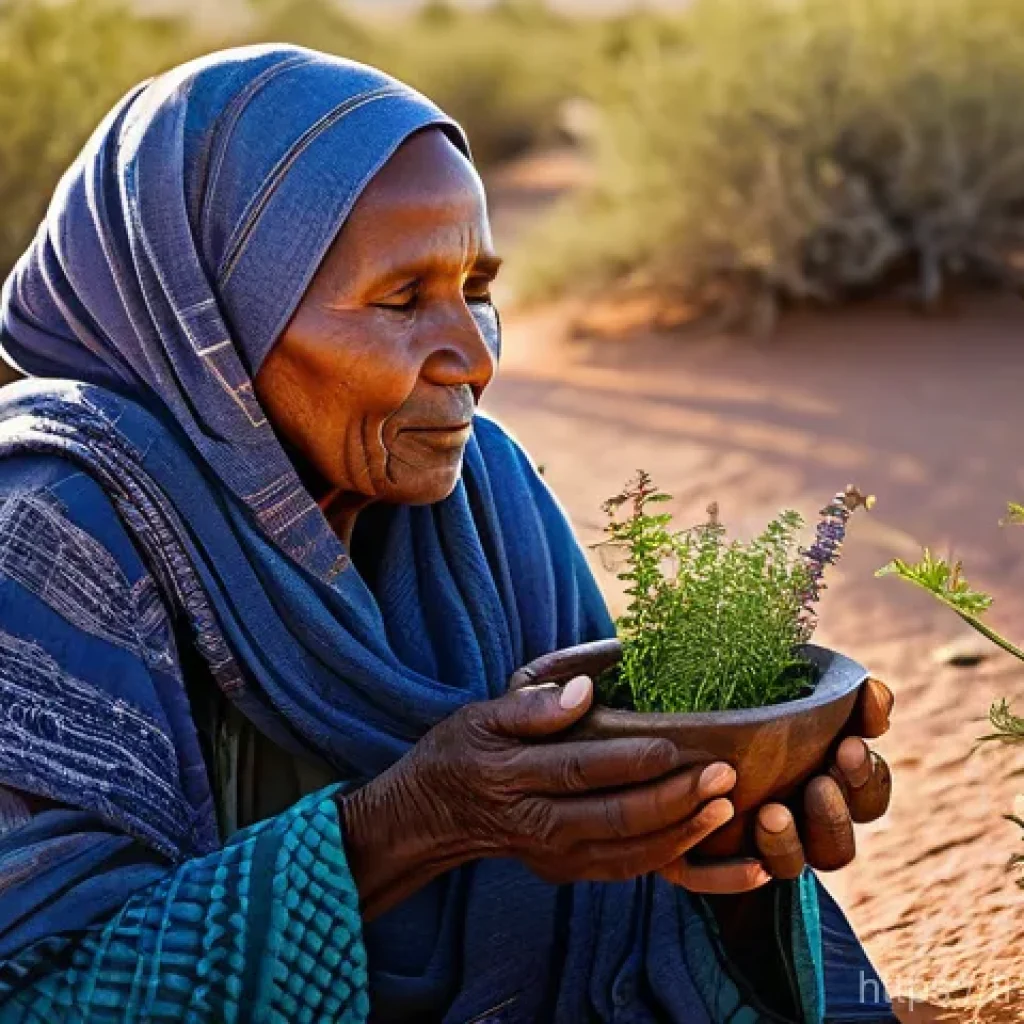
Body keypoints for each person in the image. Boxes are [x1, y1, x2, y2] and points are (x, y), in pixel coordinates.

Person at [0, 45, 896, 1023]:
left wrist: (712, 846)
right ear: (209, 323)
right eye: (401, 299)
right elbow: (44, 989)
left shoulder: (483, 494)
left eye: (477, 288)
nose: (472, 357)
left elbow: (605, 855)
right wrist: (417, 820)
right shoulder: (51, 540)